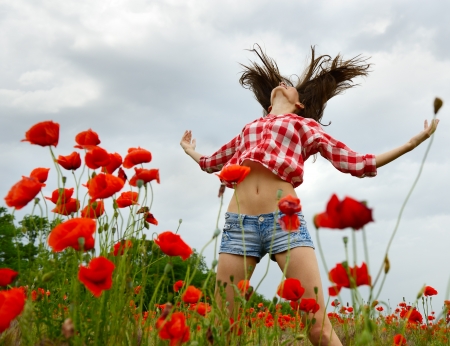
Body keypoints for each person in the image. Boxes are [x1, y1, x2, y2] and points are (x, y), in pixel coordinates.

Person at [180, 45, 439, 346]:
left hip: (284, 223)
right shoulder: (248, 129)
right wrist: (188, 149)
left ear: (300, 105)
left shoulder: (306, 127)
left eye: (292, 87)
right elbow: (212, 162)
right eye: (283, 84)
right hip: (239, 225)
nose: (285, 85)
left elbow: (354, 162)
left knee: (318, 329)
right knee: (223, 328)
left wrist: (409, 145)